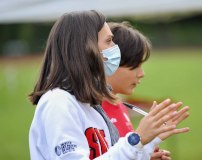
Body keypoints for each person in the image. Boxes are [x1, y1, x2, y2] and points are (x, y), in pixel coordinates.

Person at [28, 10, 190, 160]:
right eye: (109, 41)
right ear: (84, 48)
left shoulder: (89, 103)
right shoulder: (59, 102)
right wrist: (136, 139)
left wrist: (145, 148)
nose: (116, 49)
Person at [102, 22, 190, 160]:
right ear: (109, 61)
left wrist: (145, 155)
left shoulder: (121, 106)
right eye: (135, 65)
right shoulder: (90, 111)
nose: (142, 73)